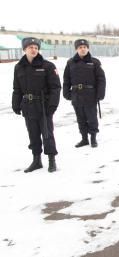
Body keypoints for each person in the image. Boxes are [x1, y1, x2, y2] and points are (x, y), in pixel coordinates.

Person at [12, 37, 61, 173]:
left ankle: (52, 160)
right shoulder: (19, 67)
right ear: (24, 49)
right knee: (33, 134)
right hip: (28, 106)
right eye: (30, 47)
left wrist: (52, 105)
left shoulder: (47, 66)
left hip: (43, 106)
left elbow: (56, 87)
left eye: (36, 48)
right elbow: (17, 88)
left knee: (47, 134)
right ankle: (36, 160)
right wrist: (16, 104)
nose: (33, 50)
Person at [63, 39, 106, 148]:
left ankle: (93, 138)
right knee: (80, 118)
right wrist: (66, 92)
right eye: (80, 47)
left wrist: (100, 94)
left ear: (88, 48)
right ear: (76, 49)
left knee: (92, 117)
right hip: (76, 94)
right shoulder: (70, 62)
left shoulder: (94, 62)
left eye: (85, 47)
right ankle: (84, 139)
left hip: (90, 94)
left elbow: (101, 79)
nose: (83, 49)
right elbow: (66, 79)